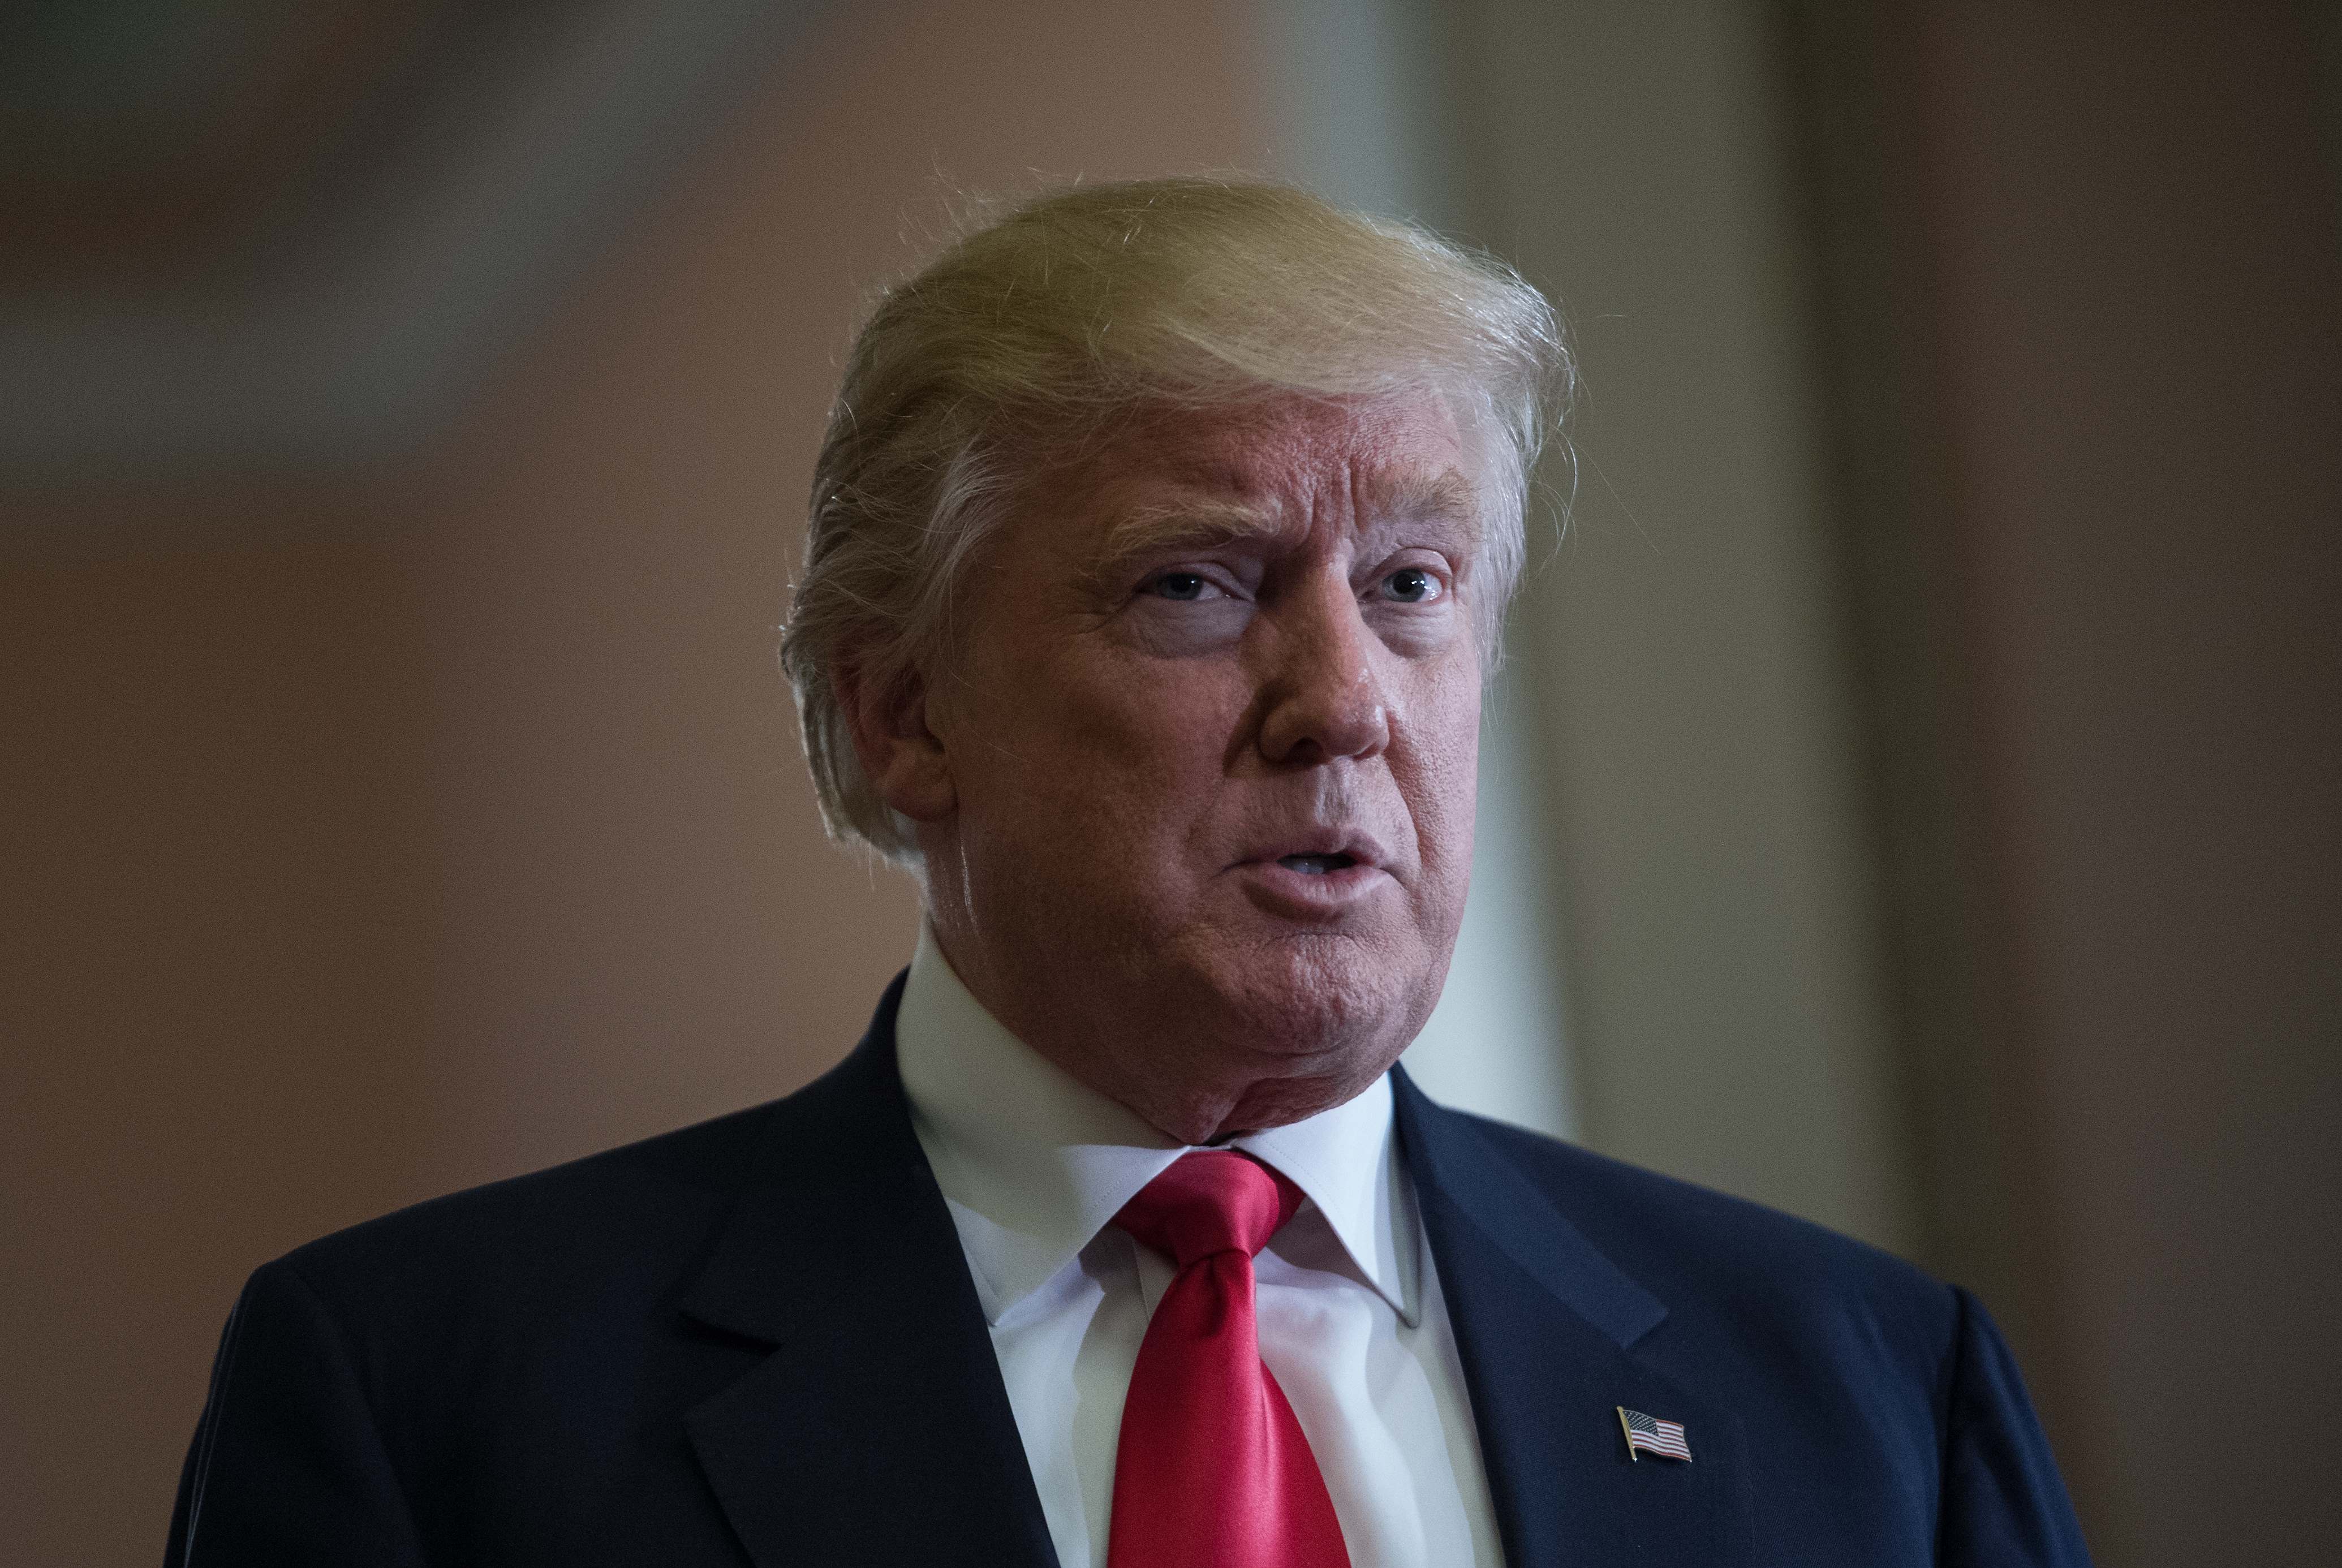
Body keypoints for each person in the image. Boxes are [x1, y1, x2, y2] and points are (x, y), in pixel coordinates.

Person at [166, 179, 2091, 1567]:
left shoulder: (1862, 1386)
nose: (1345, 701)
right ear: (906, 711)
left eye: (1411, 584)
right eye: (1196, 584)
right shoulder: (427, 1398)